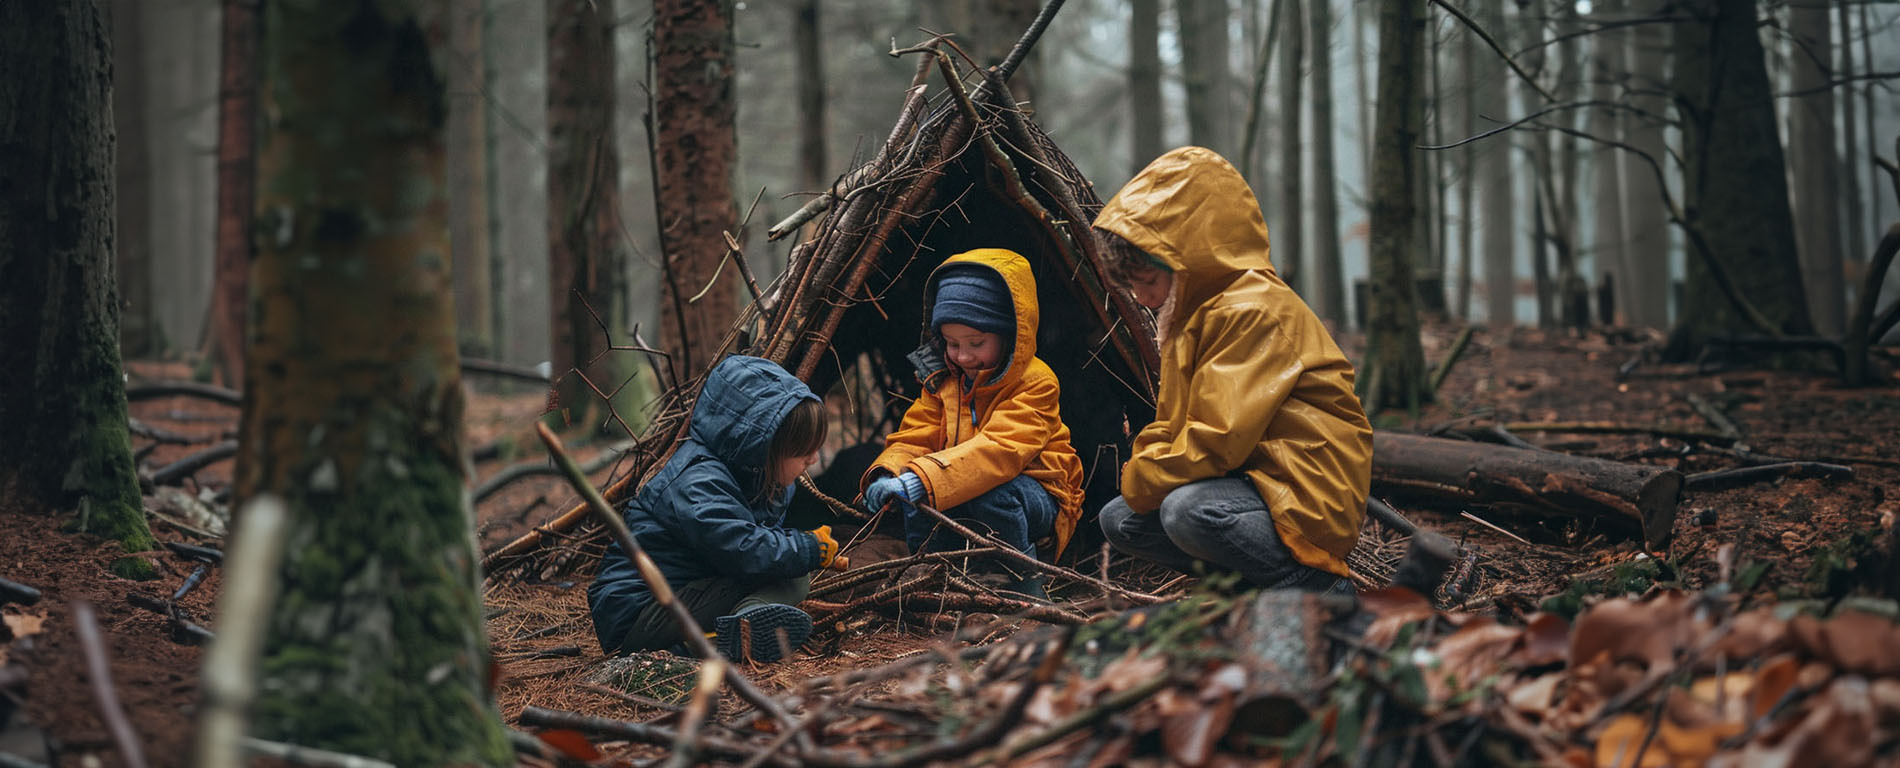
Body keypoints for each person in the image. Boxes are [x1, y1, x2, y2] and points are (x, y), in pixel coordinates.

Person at [1092, 146, 1373, 593]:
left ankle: (1313, 585)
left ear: (1187, 258)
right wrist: (1141, 473)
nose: (1143, 299)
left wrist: (1141, 476)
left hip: (1303, 493)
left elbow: (1216, 438)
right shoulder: (1190, 319)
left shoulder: (1253, 309)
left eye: (1147, 282)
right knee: (1122, 520)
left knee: (1187, 510)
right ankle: (1249, 590)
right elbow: (1173, 423)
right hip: (1250, 481)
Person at [860, 248, 1085, 596]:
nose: (963, 356)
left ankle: (1020, 579)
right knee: (919, 486)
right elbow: (917, 434)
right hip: (961, 484)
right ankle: (932, 572)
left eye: (976, 343)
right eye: (952, 344)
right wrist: (891, 473)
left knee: (987, 492)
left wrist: (921, 480)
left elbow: (1000, 452)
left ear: (1010, 335)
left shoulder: (1036, 382)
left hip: (1037, 495)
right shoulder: (944, 381)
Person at [588, 355, 841, 661]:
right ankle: (742, 631)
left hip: (672, 600)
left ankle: (709, 641)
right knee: (791, 575)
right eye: (802, 451)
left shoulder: (754, 477)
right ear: (763, 444)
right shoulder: (698, 481)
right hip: (638, 613)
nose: (813, 460)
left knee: (788, 570)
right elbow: (744, 550)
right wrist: (808, 548)